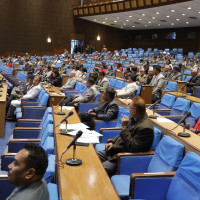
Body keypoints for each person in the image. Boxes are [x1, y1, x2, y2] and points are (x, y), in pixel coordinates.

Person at [97, 97, 154, 176]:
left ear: (134, 111)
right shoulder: (135, 118)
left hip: (122, 158)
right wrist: (112, 141)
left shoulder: (146, 128)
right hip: (114, 150)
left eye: (129, 107)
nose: (128, 109)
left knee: (99, 170)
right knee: (93, 158)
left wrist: (124, 128)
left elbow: (133, 147)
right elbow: (122, 134)